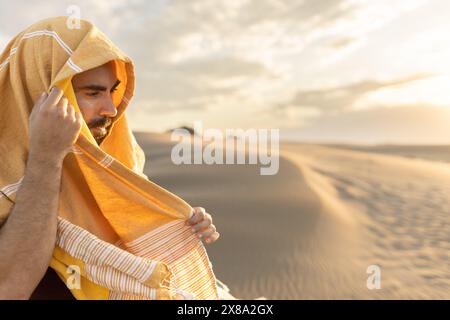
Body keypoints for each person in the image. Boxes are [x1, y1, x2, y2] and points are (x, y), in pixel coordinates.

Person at [0, 17, 224, 300]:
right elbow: (9, 288)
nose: (111, 109)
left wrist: (175, 225)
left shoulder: (106, 173)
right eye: (92, 93)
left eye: (112, 92)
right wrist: (46, 159)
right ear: (37, 93)